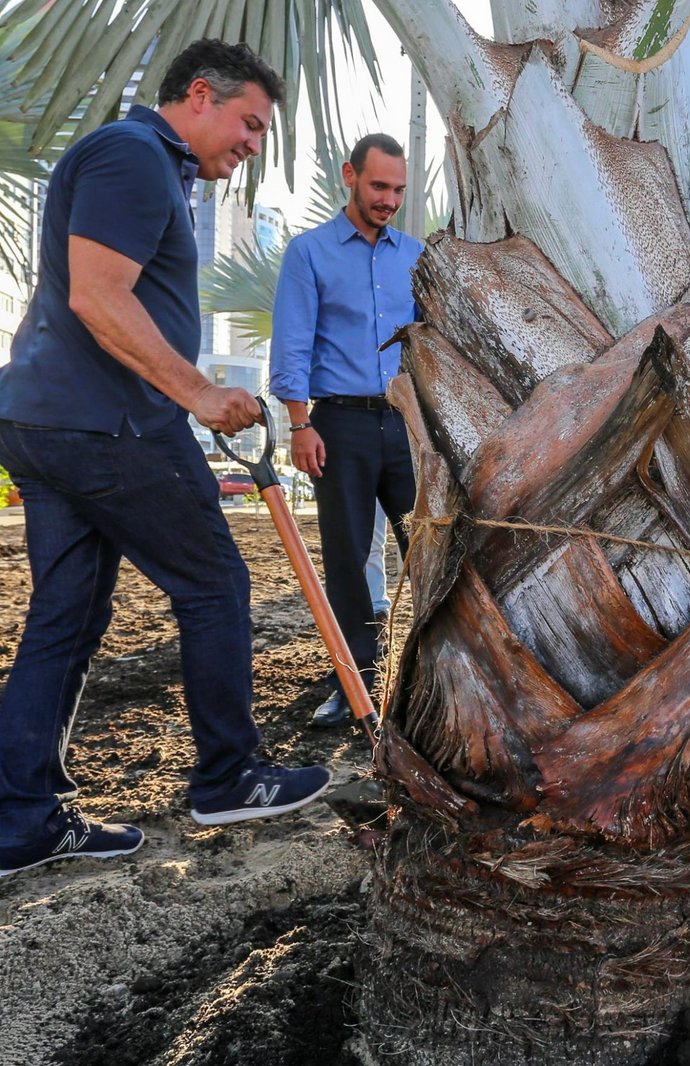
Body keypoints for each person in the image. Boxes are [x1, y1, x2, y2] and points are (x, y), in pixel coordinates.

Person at [0, 40, 333, 878]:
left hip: (51, 421)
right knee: (214, 583)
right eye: (250, 123)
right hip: (112, 425)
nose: (255, 144)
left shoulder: (144, 164)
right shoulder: (133, 154)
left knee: (65, 617)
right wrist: (196, 393)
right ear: (198, 95)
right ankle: (228, 775)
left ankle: (19, 821)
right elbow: (96, 293)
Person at [270, 134, 423, 725]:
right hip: (339, 426)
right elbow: (293, 341)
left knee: (429, 549)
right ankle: (355, 684)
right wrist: (299, 423)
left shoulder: (414, 254)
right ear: (350, 177)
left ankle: (436, 675)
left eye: (398, 190)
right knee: (348, 559)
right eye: (379, 186)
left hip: (408, 425)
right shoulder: (308, 253)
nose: (388, 200)